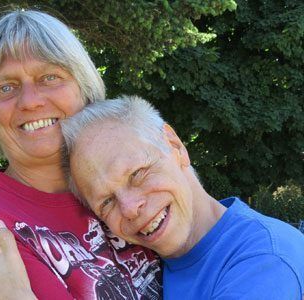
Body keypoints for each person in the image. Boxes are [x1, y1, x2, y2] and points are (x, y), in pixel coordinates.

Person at [0, 10, 161, 300]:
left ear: (85, 90)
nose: (30, 101)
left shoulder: (132, 194)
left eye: (49, 77)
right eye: (6, 87)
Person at [60, 95, 304, 299]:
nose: (130, 208)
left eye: (137, 174)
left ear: (175, 146)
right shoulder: (146, 270)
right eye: (107, 202)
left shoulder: (265, 261)